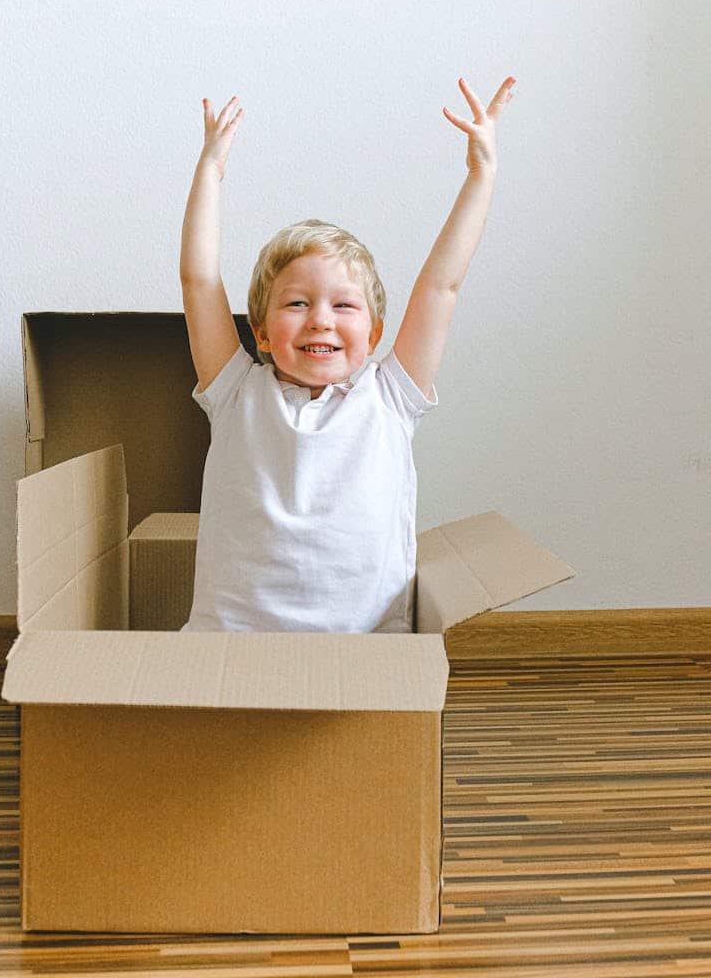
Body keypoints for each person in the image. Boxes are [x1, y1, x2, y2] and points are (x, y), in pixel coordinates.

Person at [179, 77, 515, 632]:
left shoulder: (390, 397)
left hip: (363, 655)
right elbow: (198, 279)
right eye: (297, 303)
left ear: (376, 331)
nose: (321, 319)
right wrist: (210, 171)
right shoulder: (237, 392)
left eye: (343, 305)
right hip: (233, 648)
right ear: (260, 332)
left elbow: (440, 287)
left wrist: (482, 176)